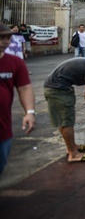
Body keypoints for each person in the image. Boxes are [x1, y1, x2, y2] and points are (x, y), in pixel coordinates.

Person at [0, 24, 35, 175]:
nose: (6, 41)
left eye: (8, 37)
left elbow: (25, 88)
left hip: (3, 128)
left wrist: (30, 112)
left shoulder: (15, 63)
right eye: (2, 37)